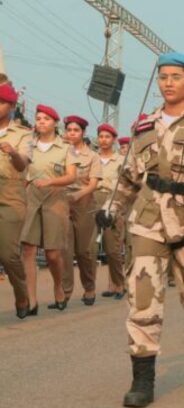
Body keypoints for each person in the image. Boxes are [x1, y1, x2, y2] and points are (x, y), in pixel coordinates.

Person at [96, 52, 184, 406]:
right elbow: (128, 178)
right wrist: (111, 208)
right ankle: (143, 381)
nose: (168, 83)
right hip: (148, 221)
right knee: (142, 302)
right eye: (163, 77)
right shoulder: (143, 126)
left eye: (176, 77)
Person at [21, 104, 77, 314]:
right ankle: (31, 300)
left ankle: (58, 286)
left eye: (46, 118)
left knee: (53, 254)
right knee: (28, 249)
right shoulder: (28, 146)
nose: (41, 122)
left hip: (55, 200)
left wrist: (51, 182)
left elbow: (72, 176)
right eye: (38, 118)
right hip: (32, 198)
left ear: (55, 123)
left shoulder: (65, 147)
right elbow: (22, 168)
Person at [61, 115, 102, 306]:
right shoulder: (61, 152)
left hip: (84, 203)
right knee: (64, 250)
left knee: (85, 250)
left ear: (83, 133)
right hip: (61, 202)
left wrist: (78, 196)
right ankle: (64, 293)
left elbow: (93, 184)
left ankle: (89, 288)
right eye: (69, 130)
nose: (71, 133)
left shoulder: (92, 156)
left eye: (76, 130)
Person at [0, 83, 32, 318]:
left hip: (10, 194)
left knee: (8, 253)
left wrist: (12, 152)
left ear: (11, 106)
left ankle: (22, 295)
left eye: (2, 102)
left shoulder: (23, 134)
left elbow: (23, 164)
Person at [95, 123, 126, 299]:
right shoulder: (92, 157)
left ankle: (119, 284)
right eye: (101, 136)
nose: (103, 140)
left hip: (113, 203)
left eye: (107, 137)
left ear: (113, 140)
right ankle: (106, 286)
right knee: (89, 248)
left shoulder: (121, 161)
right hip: (92, 200)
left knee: (112, 247)